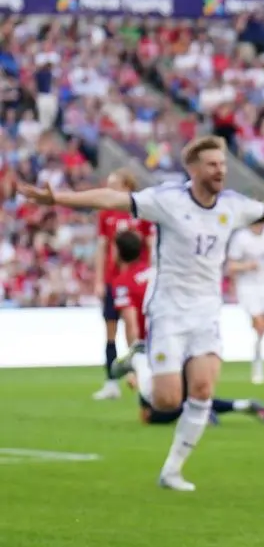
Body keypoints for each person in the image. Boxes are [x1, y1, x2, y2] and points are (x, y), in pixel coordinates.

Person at [20, 136, 264, 492]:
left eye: (223, 164)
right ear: (193, 169)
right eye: (212, 164)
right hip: (168, 309)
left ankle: (172, 471)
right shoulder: (167, 200)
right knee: (166, 400)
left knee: (203, 389)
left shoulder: (233, 205)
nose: (220, 170)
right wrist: (58, 198)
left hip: (206, 310)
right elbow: (111, 199)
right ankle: (137, 362)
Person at [108, 230, 264, 427]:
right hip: (183, 337)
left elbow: (131, 323)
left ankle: (137, 360)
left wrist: (136, 355)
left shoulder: (123, 282)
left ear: (118, 251)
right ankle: (240, 405)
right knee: (191, 394)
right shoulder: (158, 273)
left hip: (156, 346)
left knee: (154, 412)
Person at [91, 169, 150, 401]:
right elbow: (102, 248)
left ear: (127, 187)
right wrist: (98, 280)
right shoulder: (106, 214)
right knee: (110, 330)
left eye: (114, 185)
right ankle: (111, 382)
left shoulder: (142, 212)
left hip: (136, 280)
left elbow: (150, 245)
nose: (110, 189)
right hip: (112, 280)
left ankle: (138, 373)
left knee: (134, 329)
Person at [226, 220, 264, 385]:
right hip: (249, 287)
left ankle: (259, 333)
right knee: (259, 327)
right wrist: (247, 266)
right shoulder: (241, 238)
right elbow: (230, 266)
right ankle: (257, 365)